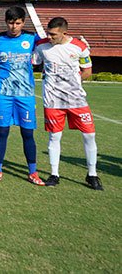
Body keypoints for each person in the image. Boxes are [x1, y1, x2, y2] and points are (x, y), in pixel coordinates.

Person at [33, 17, 102, 190]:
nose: (50, 37)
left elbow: (87, 71)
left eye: (53, 35)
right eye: (48, 33)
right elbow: (34, 62)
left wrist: (73, 82)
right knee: (54, 137)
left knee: (89, 135)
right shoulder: (42, 46)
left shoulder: (79, 46)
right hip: (52, 100)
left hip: (76, 99)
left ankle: (92, 174)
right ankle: (54, 174)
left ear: (64, 33)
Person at [0, 6, 45, 185]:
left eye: (18, 23)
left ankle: (33, 172)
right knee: (2, 132)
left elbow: (52, 43)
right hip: (2, 93)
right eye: (11, 23)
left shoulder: (32, 38)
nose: (14, 27)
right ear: (6, 22)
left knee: (27, 133)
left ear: (23, 22)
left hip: (25, 94)